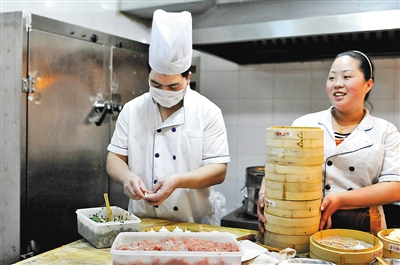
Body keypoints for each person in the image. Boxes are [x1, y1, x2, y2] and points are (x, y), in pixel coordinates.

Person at [106, 9, 230, 226]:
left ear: (188, 77)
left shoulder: (207, 111)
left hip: (194, 224)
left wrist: (178, 181)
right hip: (141, 221)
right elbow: (114, 158)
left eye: (173, 86)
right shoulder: (133, 109)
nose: (164, 90)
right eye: (156, 84)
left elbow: (218, 171)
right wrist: (127, 177)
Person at [257, 50, 400, 235]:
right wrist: (263, 195)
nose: (338, 84)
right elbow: (277, 169)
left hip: (361, 227)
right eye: (332, 78)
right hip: (304, 225)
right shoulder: (304, 124)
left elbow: (395, 187)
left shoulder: (385, 131)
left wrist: (341, 199)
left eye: (347, 76)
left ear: (368, 84)